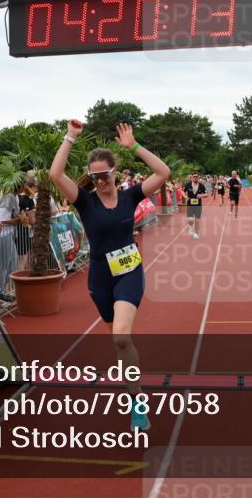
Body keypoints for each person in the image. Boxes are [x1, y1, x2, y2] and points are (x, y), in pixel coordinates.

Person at [50, 121, 169, 431]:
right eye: (95, 176)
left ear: (115, 172)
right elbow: (55, 175)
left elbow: (163, 173)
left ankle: (137, 399)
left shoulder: (130, 197)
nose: (101, 180)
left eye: (105, 174)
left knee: (121, 336)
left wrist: (135, 147)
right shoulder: (85, 202)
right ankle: (135, 396)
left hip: (129, 270)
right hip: (100, 277)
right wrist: (70, 137)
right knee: (119, 346)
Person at [0, 182, 22, 302]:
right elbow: (3, 220)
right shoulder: (8, 197)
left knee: (12, 263)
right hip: (0, 234)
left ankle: (0, 291)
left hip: (3, 234)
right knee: (2, 265)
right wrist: (18, 219)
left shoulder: (6, 195)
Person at [182, 172, 208, 239]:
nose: (195, 177)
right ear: (192, 177)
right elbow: (182, 191)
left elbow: (206, 194)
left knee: (197, 220)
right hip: (190, 204)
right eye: (194, 176)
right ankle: (190, 227)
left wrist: (201, 195)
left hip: (198, 205)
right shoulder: (188, 185)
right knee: (190, 219)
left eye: (196, 176)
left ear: (198, 177)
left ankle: (196, 233)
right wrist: (185, 197)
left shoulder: (201, 186)